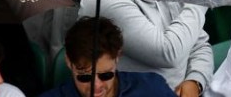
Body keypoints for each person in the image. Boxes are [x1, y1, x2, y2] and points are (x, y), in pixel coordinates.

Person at [38, 16, 176, 97]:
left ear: (117, 57)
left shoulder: (152, 88)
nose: (96, 86)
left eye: (105, 75)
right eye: (84, 77)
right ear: (68, 61)